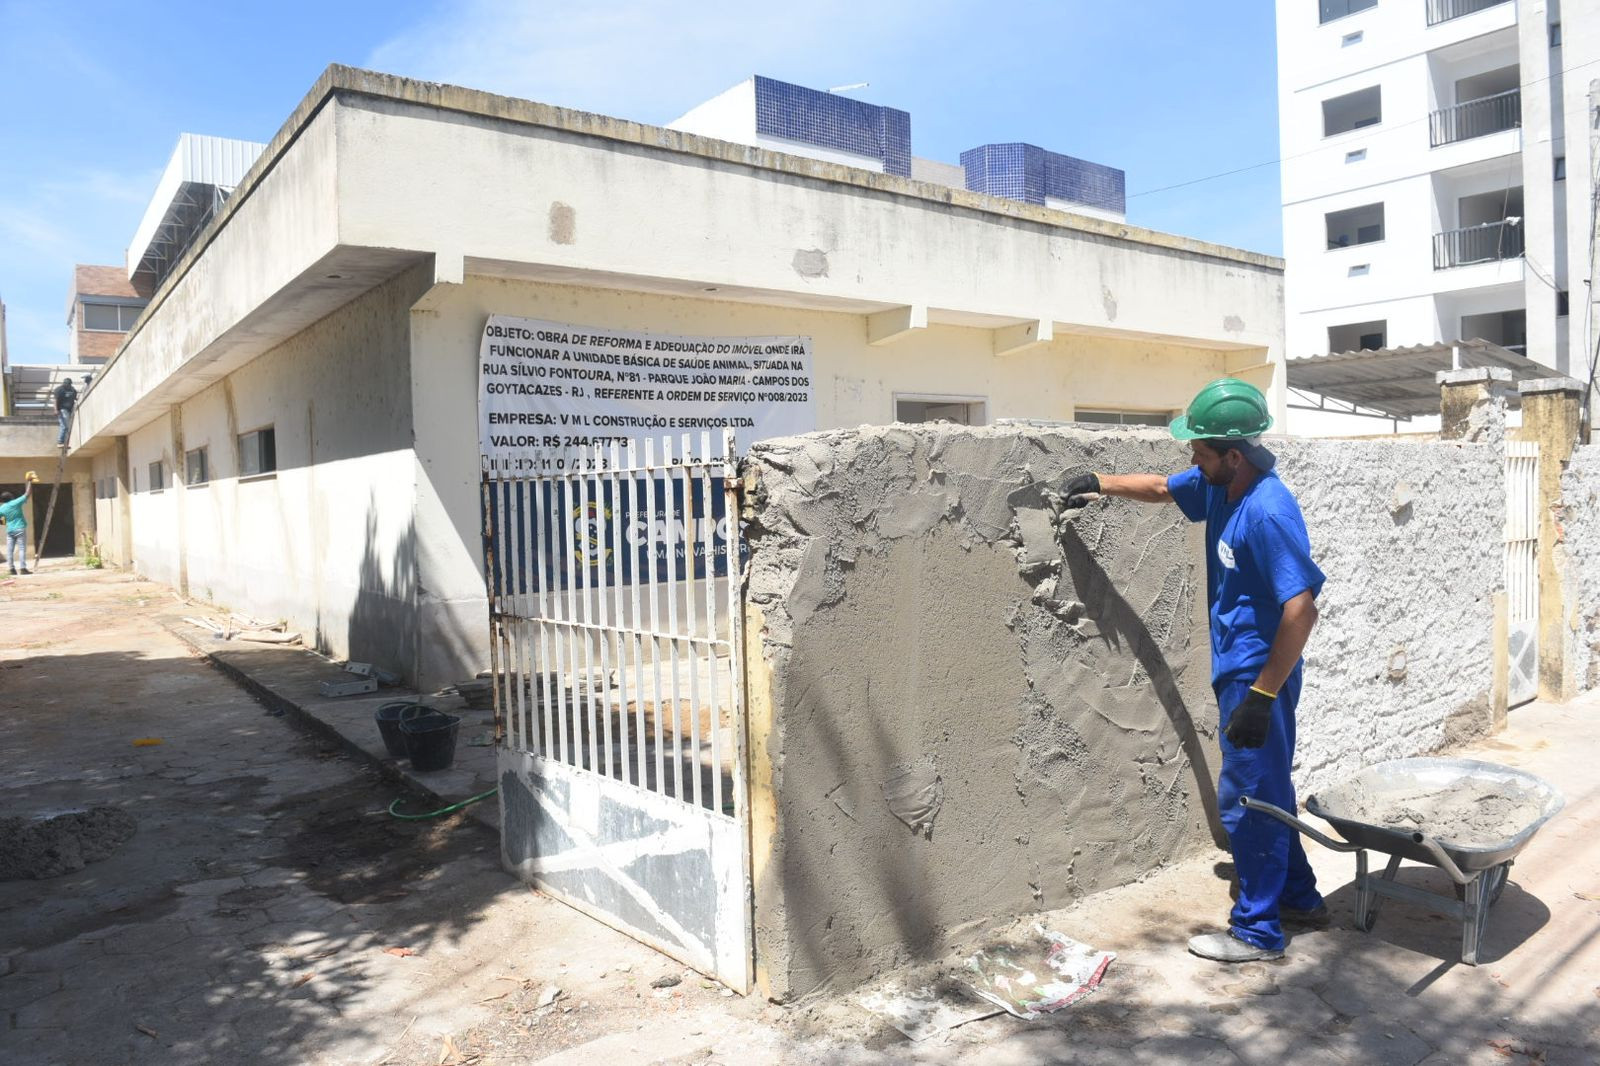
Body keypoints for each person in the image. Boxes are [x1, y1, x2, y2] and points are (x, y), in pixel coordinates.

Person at [1060, 378, 1326, 963]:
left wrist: (1261, 694)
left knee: (1247, 797)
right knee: (1270, 786)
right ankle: (1301, 897)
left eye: (1199, 453)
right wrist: (1099, 484)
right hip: (1244, 671)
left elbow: (1301, 609)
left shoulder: (1266, 512)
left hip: (1260, 675)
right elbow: (1159, 488)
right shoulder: (1222, 488)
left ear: (1234, 455)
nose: (1191, 462)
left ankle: (1257, 932)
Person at [1, 475, 35, 576]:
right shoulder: (15, 503)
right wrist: (30, 481)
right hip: (19, 528)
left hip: (10, 530)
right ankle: (23, 569)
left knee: (9, 550)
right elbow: (27, 494)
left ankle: (11, 569)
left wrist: (5, 523)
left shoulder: (2, 508)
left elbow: (1, 520)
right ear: (10, 497)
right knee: (21, 549)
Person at [53, 377, 78, 447]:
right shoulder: (60, 389)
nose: (67, 385)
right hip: (62, 409)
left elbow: (75, 397)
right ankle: (60, 442)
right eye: (66, 384)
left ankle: (65, 442)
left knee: (67, 426)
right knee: (64, 426)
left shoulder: (72, 390)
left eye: (68, 384)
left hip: (70, 410)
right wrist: (55, 409)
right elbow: (55, 400)